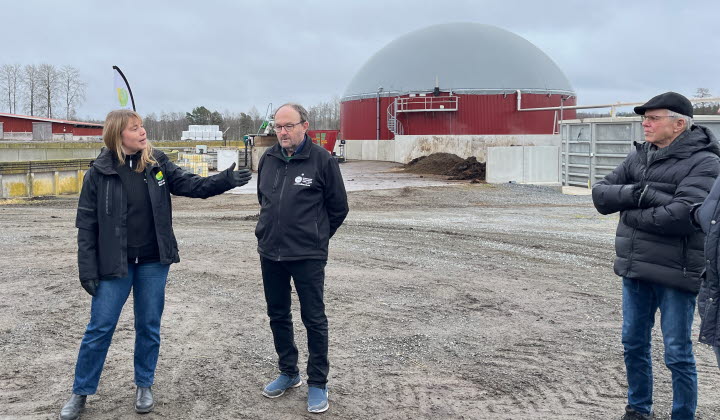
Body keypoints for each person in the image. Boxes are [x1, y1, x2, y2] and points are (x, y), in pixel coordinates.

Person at [59, 109, 252, 420]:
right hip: (114, 264)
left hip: (153, 261)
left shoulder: (156, 162)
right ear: (118, 135)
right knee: (99, 328)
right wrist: (87, 269)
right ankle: (80, 393)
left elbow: (192, 186)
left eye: (142, 127)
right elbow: (86, 224)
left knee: (148, 326)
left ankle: (144, 384)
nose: (142, 132)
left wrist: (225, 180)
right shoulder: (99, 171)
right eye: (135, 129)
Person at [591, 91, 720, 420]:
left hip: (676, 272)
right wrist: (641, 193)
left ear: (678, 124)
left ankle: (683, 415)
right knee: (633, 344)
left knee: (677, 352)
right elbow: (601, 194)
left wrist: (630, 213)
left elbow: (682, 215)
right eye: (643, 118)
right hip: (635, 269)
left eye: (653, 118)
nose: (645, 124)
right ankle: (637, 409)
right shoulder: (640, 156)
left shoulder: (706, 162)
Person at [255, 103, 348, 413]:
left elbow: (338, 208)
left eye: (288, 126)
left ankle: (317, 383)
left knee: (314, 319)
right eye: (278, 126)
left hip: (307, 255)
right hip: (271, 253)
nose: (282, 132)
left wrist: (317, 237)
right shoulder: (268, 158)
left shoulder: (322, 160)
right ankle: (288, 372)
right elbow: (264, 200)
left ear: (305, 126)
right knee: (278, 314)